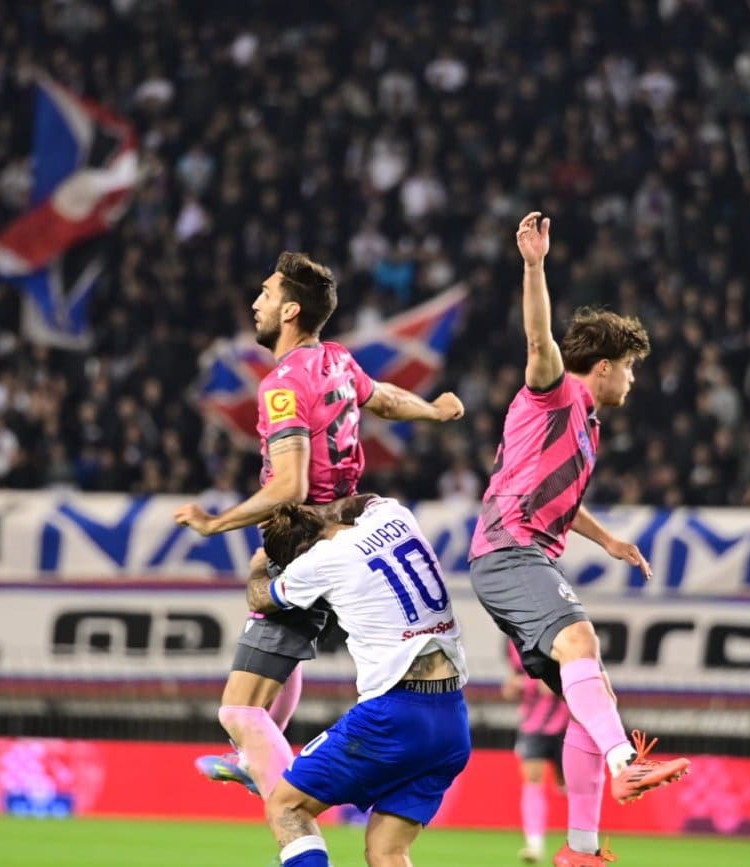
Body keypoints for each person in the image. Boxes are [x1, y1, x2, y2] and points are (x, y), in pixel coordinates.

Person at [173, 251, 464, 799]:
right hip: (341, 532)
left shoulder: (282, 386)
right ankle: (258, 755)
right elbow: (384, 400)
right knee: (278, 634)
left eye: (266, 294)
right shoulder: (336, 360)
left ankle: (285, 803)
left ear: (290, 311)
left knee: (239, 708)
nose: (256, 302)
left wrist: (215, 524)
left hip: (306, 540)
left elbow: (290, 485)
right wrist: (431, 410)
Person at [469, 212, 690, 867]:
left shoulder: (586, 425)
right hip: (508, 552)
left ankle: (581, 850)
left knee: (593, 701)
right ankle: (626, 763)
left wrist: (608, 539)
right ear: (604, 366)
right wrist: (534, 266)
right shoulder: (556, 391)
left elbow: (557, 496)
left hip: (525, 554)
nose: (632, 381)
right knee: (581, 642)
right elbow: (539, 338)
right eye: (630, 369)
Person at [248, 495, 471, 867]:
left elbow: (260, 600)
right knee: (387, 851)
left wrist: (258, 567)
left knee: (286, 806)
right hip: (451, 720)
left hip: (394, 715)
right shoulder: (392, 515)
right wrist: (320, 511)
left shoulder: (318, 561)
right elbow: (364, 500)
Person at [504, 640, 569, 864]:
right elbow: (514, 681)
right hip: (533, 725)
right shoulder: (514, 643)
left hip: (568, 726)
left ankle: (582, 839)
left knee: (569, 786)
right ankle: (534, 845)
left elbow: (555, 686)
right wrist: (514, 687)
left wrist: (542, 683)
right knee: (532, 779)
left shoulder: (562, 636)